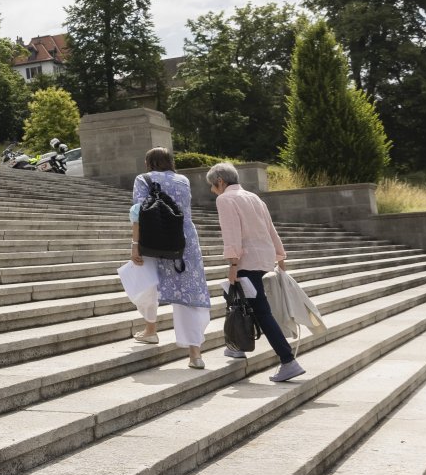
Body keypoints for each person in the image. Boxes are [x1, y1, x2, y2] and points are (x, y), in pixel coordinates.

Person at [209, 161, 304, 382]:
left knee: (260, 311)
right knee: (235, 299)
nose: (213, 191)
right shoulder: (254, 198)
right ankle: (237, 346)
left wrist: (233, 265)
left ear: (220, 182)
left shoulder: (225, 199)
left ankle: (288, 360)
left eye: (213, 186)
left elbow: (231, 234)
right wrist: (281, 256)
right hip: (264, 258)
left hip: (246, 261)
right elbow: (270, 228)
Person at [129, 147, 212, 368]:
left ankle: (150, 329)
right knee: (187, 294)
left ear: (149, 162)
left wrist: (135, 245)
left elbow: (138, 213)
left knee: (144, 282)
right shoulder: (183, 180)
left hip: (153, 239)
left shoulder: (143, 179)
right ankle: (195, 354)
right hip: (184, 241)